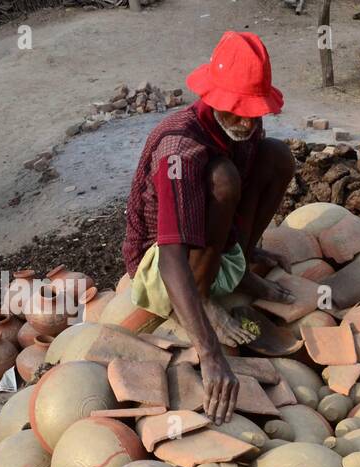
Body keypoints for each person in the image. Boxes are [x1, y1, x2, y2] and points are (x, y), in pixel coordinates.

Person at [122, 31, 296, 424]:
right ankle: (200, 300)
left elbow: (246, 193)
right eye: (236, 109)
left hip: (213, 243)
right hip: (162, 263)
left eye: (253, 111)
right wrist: (210, 353)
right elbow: (170, 257)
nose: (245, 121)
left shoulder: (246, 127)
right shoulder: (178, 150)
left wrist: (244, 250)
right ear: (213, 98)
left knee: (276, 156)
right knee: (223, 176)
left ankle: (242, 266)